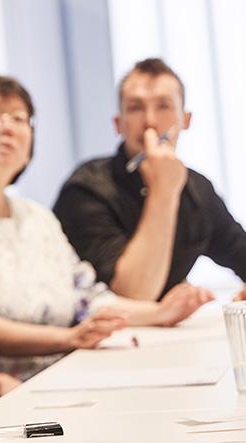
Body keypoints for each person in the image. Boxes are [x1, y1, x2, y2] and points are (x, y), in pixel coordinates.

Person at [0, 74, 211, 422]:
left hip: (64, 383)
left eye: (19, 118)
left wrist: (159, 313)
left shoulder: (37, 217)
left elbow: (86, 296)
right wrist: (69, 338)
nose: (7, 129)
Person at [53, 58, 246, 301]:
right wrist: (163, 191)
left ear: (185, 120)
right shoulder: (86, 190)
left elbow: (239, 251)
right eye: (135, 108)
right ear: (118, 124)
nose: (150, 123)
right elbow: (133, 295)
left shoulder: (198, 189)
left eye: (164, 106)